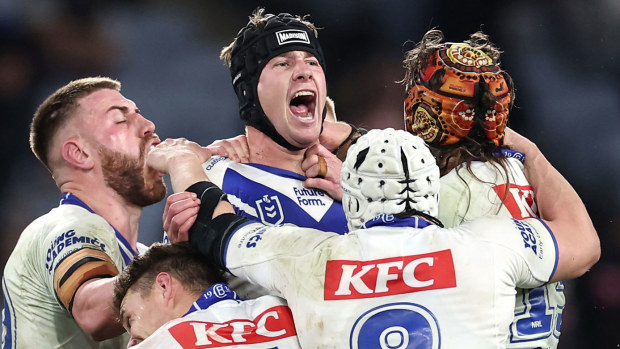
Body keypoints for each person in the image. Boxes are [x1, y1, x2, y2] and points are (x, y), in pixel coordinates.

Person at [146, 126, 599, 348]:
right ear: (431, 193)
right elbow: (584, 244)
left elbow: (221, 229)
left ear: (351, 199)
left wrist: (185, 160)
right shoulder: (489, 246)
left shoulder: (308, 258)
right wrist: (531, 152)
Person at [401, 29, 600, 347]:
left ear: (421, 109)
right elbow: (587, 244)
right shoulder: (527, 174)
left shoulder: (436, 199)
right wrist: (530, 150)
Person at [1, 77, 167, 348]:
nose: (149, 126)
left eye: (140, 115)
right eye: (121, 120)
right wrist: (181, 254)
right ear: (79, 154)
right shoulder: (66, 225)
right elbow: (94, 313)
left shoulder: (139, 255)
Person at [165, 8, 349, 244]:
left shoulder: (357, 181)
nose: (304, 72)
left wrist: (357, 194)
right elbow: (179, 279)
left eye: (312, 62)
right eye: (283, 64)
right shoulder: (211, 178)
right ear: (248, 93)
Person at [112, 242, 301, 348]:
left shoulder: (163, 342)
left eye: (130, 320)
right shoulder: (293, 310)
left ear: (164, 286)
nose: (131, 344)